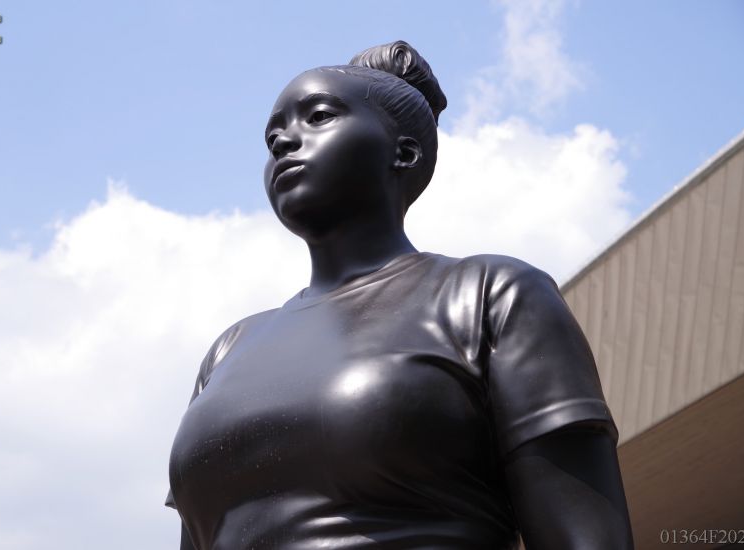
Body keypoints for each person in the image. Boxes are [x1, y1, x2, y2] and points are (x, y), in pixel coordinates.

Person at [167, 41, 634, 550]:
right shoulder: (229, 350)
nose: (283, 142)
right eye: (272, 136)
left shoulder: (488, 296)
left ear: (404, 152)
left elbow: (585, 536)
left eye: (318, 116)